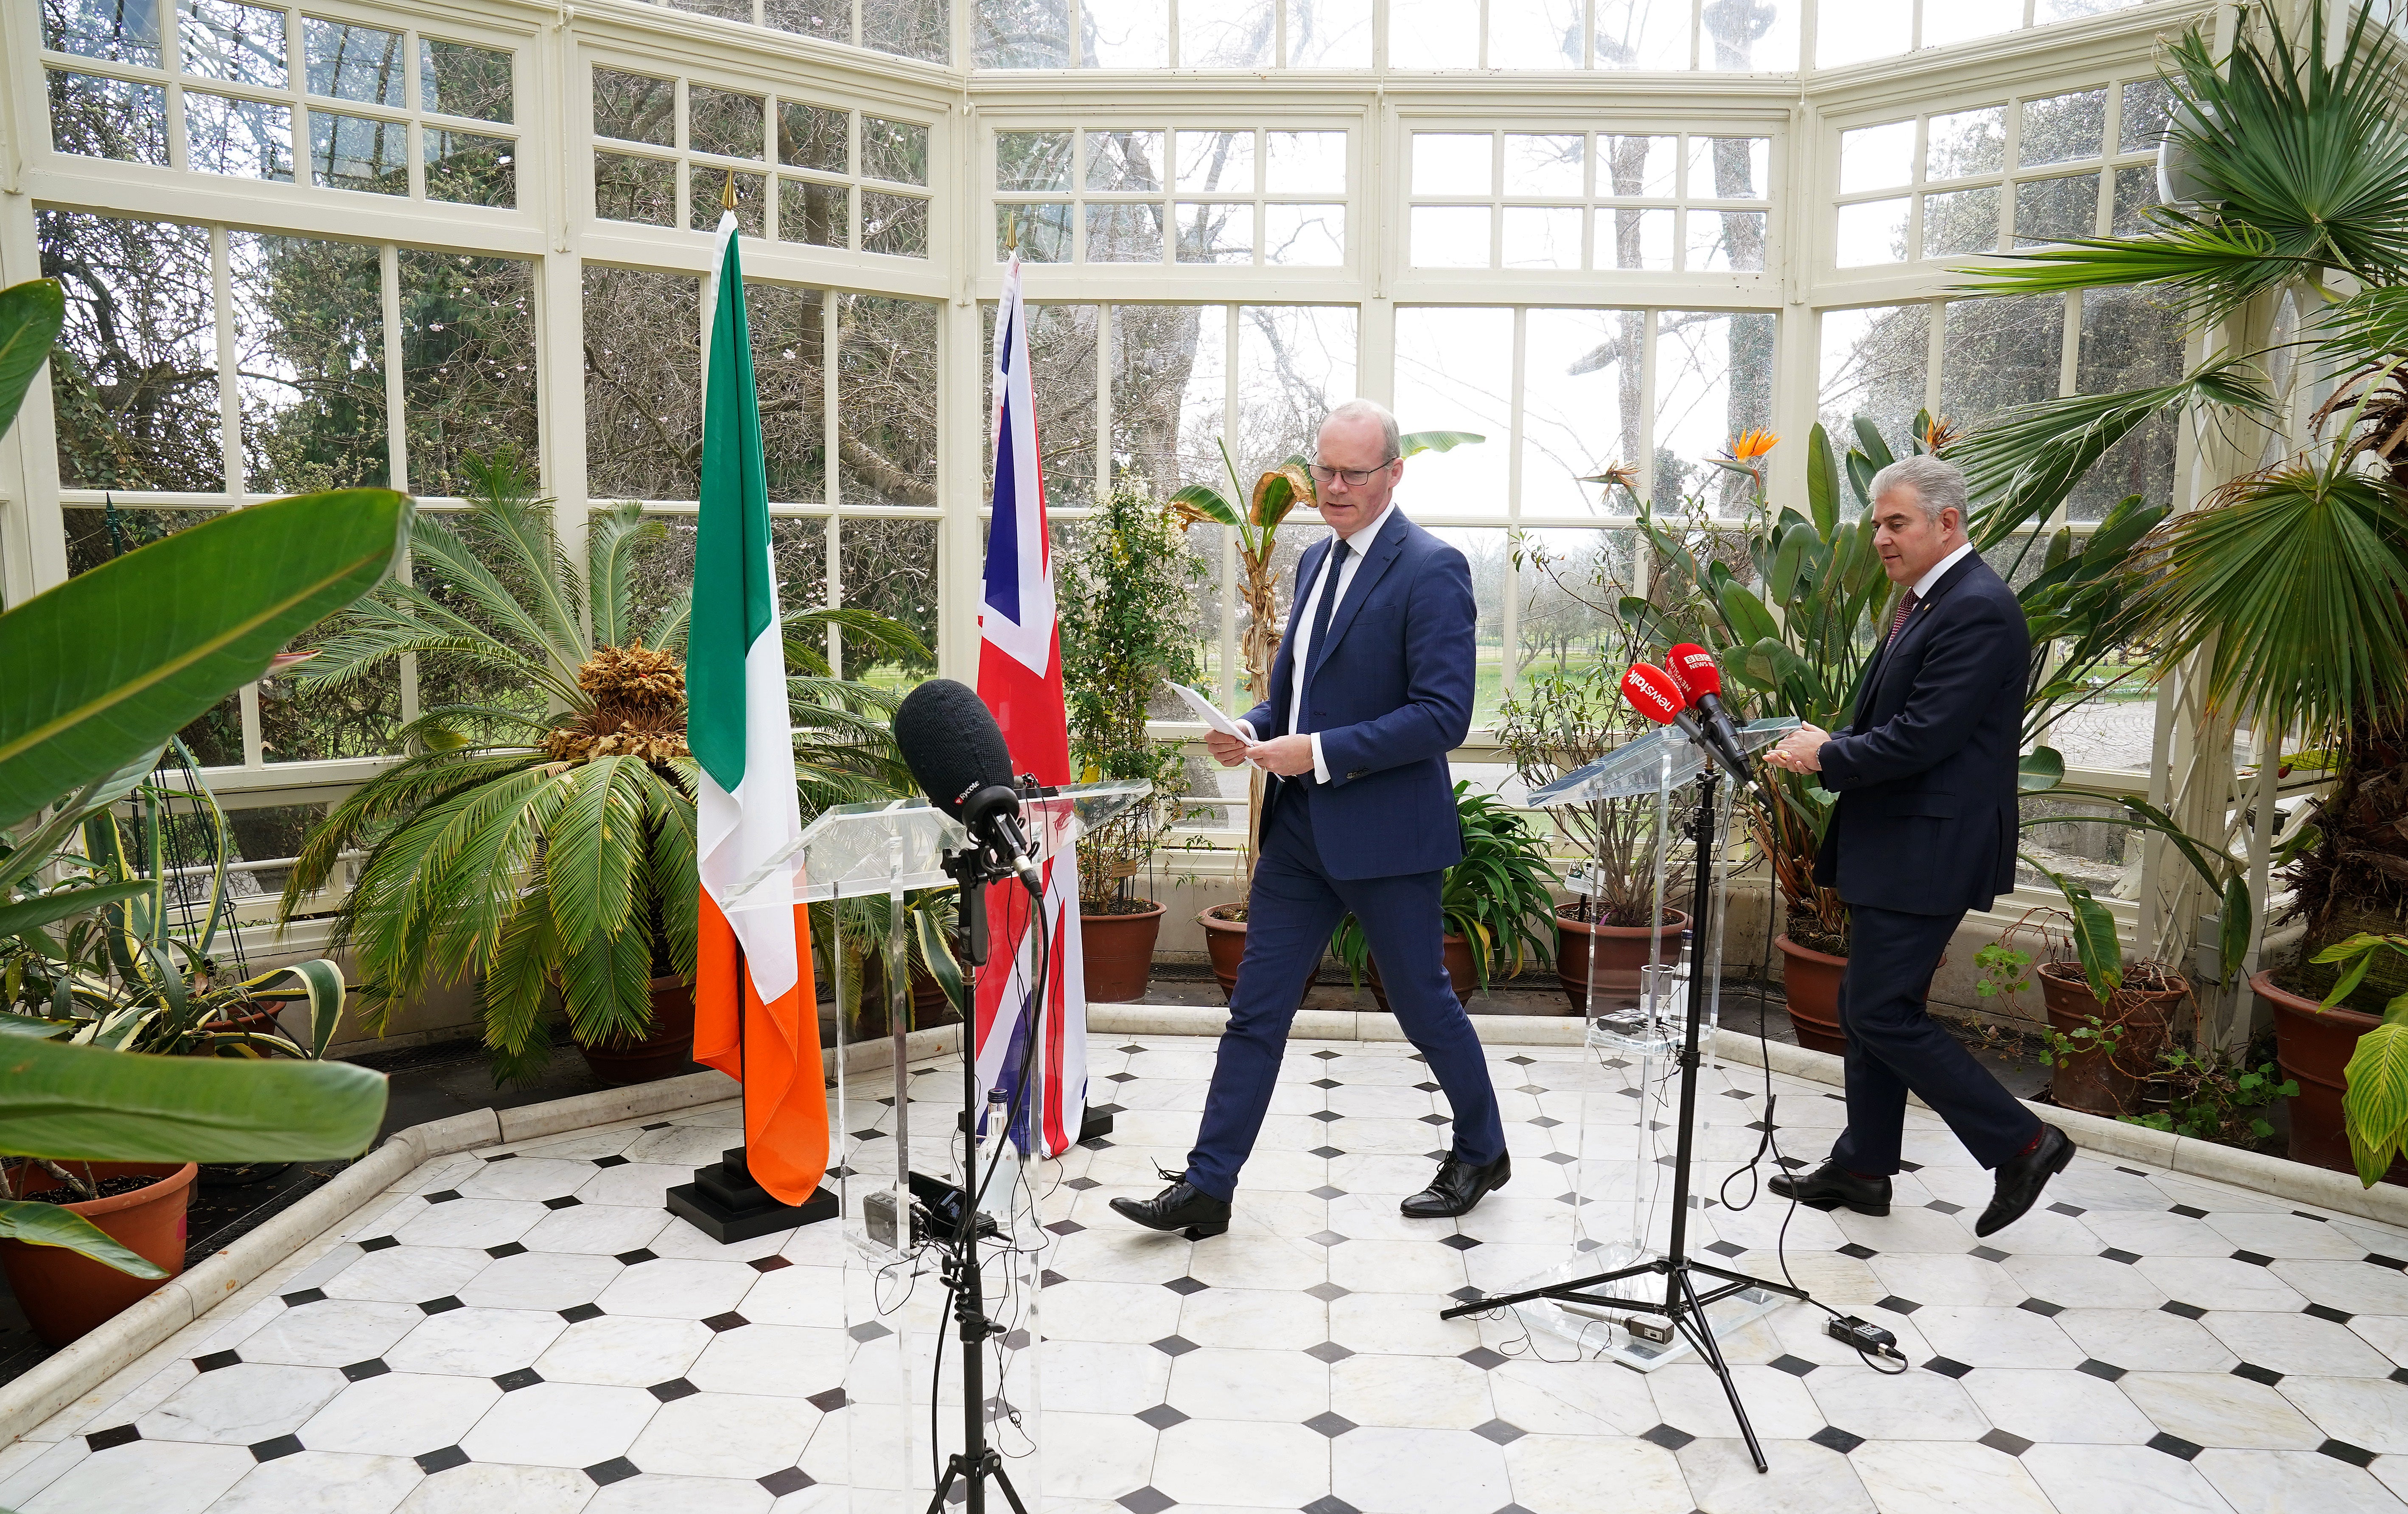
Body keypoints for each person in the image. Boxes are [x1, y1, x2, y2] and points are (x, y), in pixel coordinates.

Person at [1110, 399, 1509, 1239]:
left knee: (1422, 1002)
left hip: (1387, 835)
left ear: (1394, 474)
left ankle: (1483, 1147)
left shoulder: (1433, 568)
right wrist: (1253, 728)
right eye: (1324, 469)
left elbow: (1445, 715)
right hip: (1299, 834)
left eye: (1352, 473)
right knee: (1257, 1006)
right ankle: (1209, 1183)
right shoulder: (1315, 564)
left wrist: (1319, 750)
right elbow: (1295, 694)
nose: (1332, 486)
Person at [1761, 454, 2070, 1239]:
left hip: (1929, 848)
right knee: (1871, 1009)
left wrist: (1827, 757)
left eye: (1896, 523)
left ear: (1948, 522)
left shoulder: (1978, 608)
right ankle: (1865, 1168)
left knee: (1879, 1010)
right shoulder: (1928, 601)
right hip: (1897, 842)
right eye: (1876, 524)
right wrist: (1833, 740)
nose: (1882, 539)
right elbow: (1904, 721)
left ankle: (2025, 1142)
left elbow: (1926, 738)